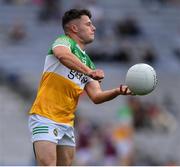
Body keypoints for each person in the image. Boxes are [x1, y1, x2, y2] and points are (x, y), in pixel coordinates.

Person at [28, 8, 133, 166]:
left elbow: (97, 96)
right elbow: (62, 55)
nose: (94, 28)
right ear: (74, 28)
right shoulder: (64, 41)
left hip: (67, 123)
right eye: (89, 24)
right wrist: (89, 72)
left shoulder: (88, 62)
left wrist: (117, 91)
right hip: (45, 117)